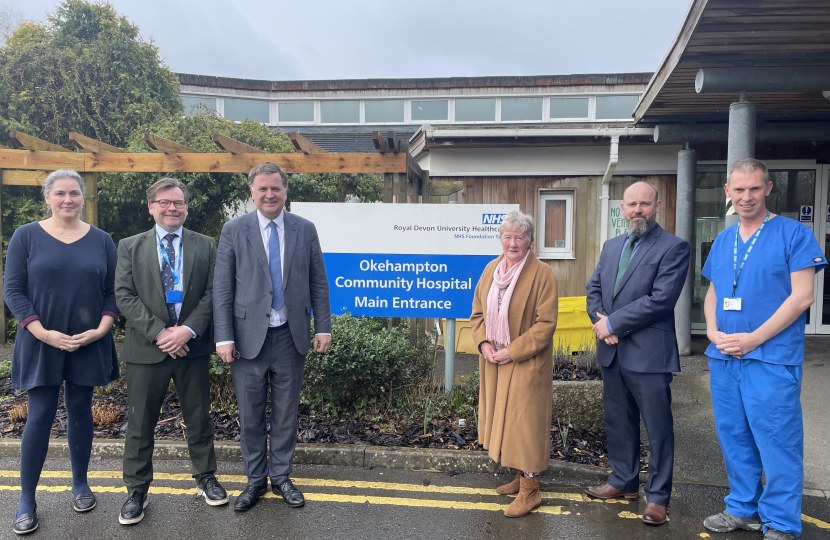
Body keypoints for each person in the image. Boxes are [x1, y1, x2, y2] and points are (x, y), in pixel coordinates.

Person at [701, 158, 825, 540]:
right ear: (728, 192)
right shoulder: (723, 239)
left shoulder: (794, 235)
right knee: (734, 436)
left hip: (770, 359)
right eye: (739, 189)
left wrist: (755, 338)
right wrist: (711, 331)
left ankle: (782, 522)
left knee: (776, 440)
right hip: (725, 358)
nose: (747, 196)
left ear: (768, 189)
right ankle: (743, 508)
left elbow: (803, 297)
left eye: (755, 188)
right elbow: (713, 292)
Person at [3, 169, 119, 535]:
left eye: (74, 193)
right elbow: (13, 291)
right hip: (41, 340)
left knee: (81, 411)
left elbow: (114, 292)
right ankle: (26, 499)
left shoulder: (102, 240)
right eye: (60, 193)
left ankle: (81, 483)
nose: (67, 199)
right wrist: (42, 332)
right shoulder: (26, 236)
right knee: (38, 416)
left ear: (83, 197)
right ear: (47, 198)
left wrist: (101, 329)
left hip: (89, 340)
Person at [213, 161, 331, 511]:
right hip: (247, 338)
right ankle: (254, 481)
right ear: (252, 192)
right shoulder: (234, 229)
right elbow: (222, 287)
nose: (269, 194)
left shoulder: (304, 229)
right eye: (262, 188)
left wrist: (322, 326)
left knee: (285, 412)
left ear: (285, 190)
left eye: (275, 188)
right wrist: (223, 337)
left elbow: (318, 282)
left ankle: (280, 477)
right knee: (250, 415)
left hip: (290, 336)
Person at [114, 178, 227, 525]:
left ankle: (206, 477)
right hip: (148, 349)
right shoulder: (130, 246)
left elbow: (214, 292)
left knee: (198, 417)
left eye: (178, 202)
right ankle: (136, 490)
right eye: (164, 202)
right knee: (141, 423)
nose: (172, 208)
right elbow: (124, 295)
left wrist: (187, 330)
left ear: (186, 207)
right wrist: (160, 332)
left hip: (191, 347)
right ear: (151, 207)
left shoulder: (206, 245)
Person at [585, 181, 690, 526]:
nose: (637, 210)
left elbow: (661, 300)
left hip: (648, 353)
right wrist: (601, 322)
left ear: (657, 206)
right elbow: (594, 288)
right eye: (631, 204)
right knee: (619, 421)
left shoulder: (674, 247)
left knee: (658, 428)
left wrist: (613, 324)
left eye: (645, 203)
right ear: (622, 208)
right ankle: (623, 481)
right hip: (612, 350)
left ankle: (658, 497)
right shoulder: (611, 245)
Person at [469, 210, 558, 518]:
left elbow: (545, 324)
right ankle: (521, 476)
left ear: (530, 240)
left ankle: (531, 491)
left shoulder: (543, 274)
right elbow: (477, 312)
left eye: (520, 237)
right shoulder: (491, 269)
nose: (513, 243)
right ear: (501, 240)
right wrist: (482, 343)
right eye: (507, 237)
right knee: (505, 421)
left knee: (526, 424)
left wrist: (512, 351)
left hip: (525, 360)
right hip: (493, 359)